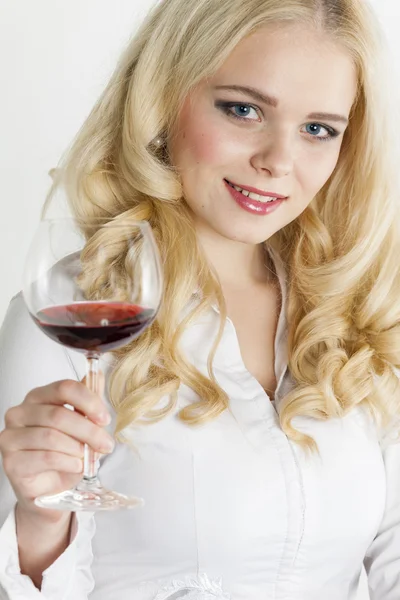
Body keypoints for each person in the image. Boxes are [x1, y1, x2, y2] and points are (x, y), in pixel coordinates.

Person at [1, 0, 400, 598]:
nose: (278, 162)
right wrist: (40, 522)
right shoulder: (68, 310)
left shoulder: (361, 308)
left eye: (318, 129)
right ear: (164, 98)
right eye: (243, 110)